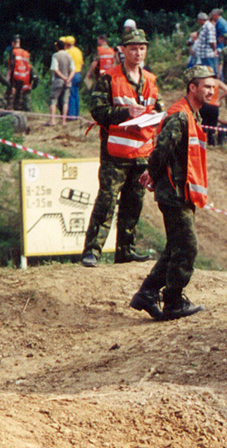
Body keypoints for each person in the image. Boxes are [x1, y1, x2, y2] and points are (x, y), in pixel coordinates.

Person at [129, 65, 215, 322]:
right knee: (187, 247)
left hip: (182, 191)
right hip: (174, 193)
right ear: (193, 87)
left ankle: (147, 293)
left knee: (176, 247)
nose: (211, 91)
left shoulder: (192, 115)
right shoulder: (180, 116)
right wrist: (152, 174)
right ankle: (173, 302)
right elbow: (160, 150)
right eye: (206, 86)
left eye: (212, 86)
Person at [81, 28, 161, 267]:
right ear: (123, 50)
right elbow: (97, 111)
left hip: (142, 153)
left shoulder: (150, 80)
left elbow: (159, 110)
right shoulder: (109, 78)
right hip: (115, 153)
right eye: (133, 48)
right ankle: (92, 251)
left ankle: (126, 250)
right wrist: (126, 113)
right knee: (106, 201)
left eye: (142, 48)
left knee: (133, 203)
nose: (138, 53)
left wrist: (156, 116)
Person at [49, 40, 74, 123]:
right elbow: (73, 70)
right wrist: (68, 79)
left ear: (57, 47)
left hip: (58, 81)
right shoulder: (69, 56)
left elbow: (55, 69)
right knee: (65, 101)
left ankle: (52, 120)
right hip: (68, 82)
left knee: (53, 100)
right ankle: (63, 120)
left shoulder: (55, 56)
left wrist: (63, 78)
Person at [7, 35, 31, 111]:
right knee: (18, 95)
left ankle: (10, 110)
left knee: (10, 95)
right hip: (23, 77)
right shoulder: (26, 53)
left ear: (13, 43)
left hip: (15, 76)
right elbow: (27, 67)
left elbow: (12, 66)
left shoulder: (13, 52)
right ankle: (17, 110)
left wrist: (9, 79)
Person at [62, 36, 84, 118]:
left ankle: (71, 115)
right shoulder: (78, 51)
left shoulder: (68, 52)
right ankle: (76, 113)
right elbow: (82, 63)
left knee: (70, 95)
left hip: (72, 74)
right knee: (76, 94)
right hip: (78, 73)